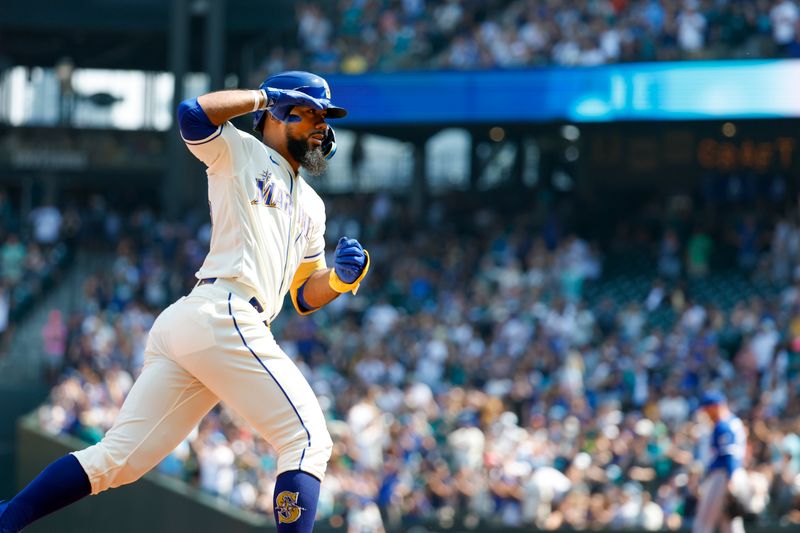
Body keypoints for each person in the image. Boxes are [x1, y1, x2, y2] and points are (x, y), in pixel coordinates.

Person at [0, 70, 370, 533]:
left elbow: (303, 295)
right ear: (280, 112)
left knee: (120, 460)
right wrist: (261, 96)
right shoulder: (240, 150)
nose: (323, 125)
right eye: (314, 112)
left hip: (210, 324)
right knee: (308, 438)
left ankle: (6, 518)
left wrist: (336, 280)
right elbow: (192, 116)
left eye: (326, 117)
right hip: (224, 310)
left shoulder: (314, 205)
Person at [692, 391, 749, 533]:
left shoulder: (723, 425)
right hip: (734, 473)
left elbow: (728, 455)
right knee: (729, 523)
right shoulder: (734, 421)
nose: (706, 413)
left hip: (724, 475)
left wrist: (730, 480)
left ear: (716, 406)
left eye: (707, 409)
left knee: (703, 522)